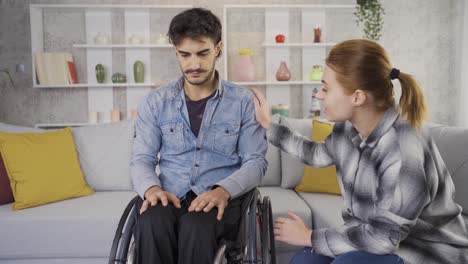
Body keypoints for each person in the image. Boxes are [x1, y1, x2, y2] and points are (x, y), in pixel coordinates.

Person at [250, 39, 468, 264]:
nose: (319, 95)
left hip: (424, 253)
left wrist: (309, 236)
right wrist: (268, 125)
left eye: (326, 88)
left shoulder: (403, 150)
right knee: (305, 261)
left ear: (357, 97)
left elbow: (383, 238)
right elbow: (316, 154)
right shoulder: (347, 129)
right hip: (377, 242)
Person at [130, 8, 268, 264]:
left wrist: (223, 191)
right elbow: (142, 159)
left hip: (221, 199)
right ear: (176, 53)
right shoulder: (155, 102)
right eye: (185, 55)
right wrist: (151, 188)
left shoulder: (244, 101)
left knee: (197, 225)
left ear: (218, 48)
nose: (194, 64)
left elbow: (256, 162)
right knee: (151, 221)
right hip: (169, 194)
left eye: (202, 53)